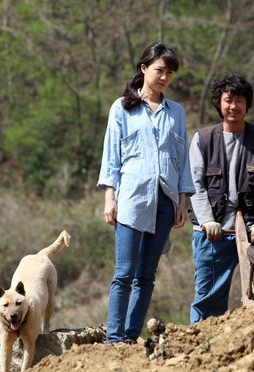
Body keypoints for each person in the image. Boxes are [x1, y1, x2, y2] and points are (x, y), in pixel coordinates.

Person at [97, 42, 195, 343]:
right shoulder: (122, 107)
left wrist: (182, 200)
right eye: (159, 70)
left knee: (147, 276)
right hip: (131, 198)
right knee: (124, 273)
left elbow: (183, 161)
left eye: (169, 72)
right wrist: (110, 197)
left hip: (165, 201)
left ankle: (130, 335)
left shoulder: (176, 112)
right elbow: (112, 156)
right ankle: (114, 339)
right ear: (144, 69)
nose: (164, 77)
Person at [188, 74, 254, 324]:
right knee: (207, 300)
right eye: (228, 100)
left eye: (239, 100)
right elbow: (195, 185)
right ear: (219, 104)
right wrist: (206, 220)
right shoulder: (202, 139)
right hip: (214, 232)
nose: (233, 106)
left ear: (247, 104)